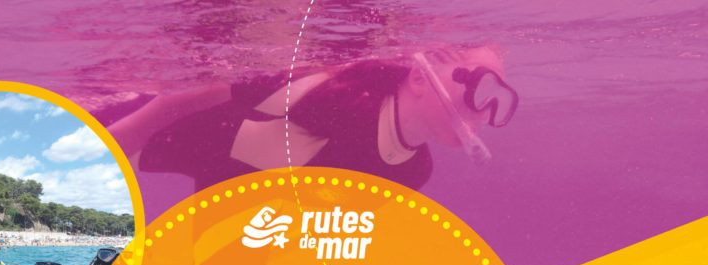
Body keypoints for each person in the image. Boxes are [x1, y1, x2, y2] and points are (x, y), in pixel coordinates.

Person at [108, 46, 518, 191]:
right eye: (481, 87)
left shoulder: (413, 172)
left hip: (234, 199)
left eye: (499, 102)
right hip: (144, 132)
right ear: (419, 77)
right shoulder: (335, 94)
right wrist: (111, 142)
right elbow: (205, 91)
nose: (485, 112)